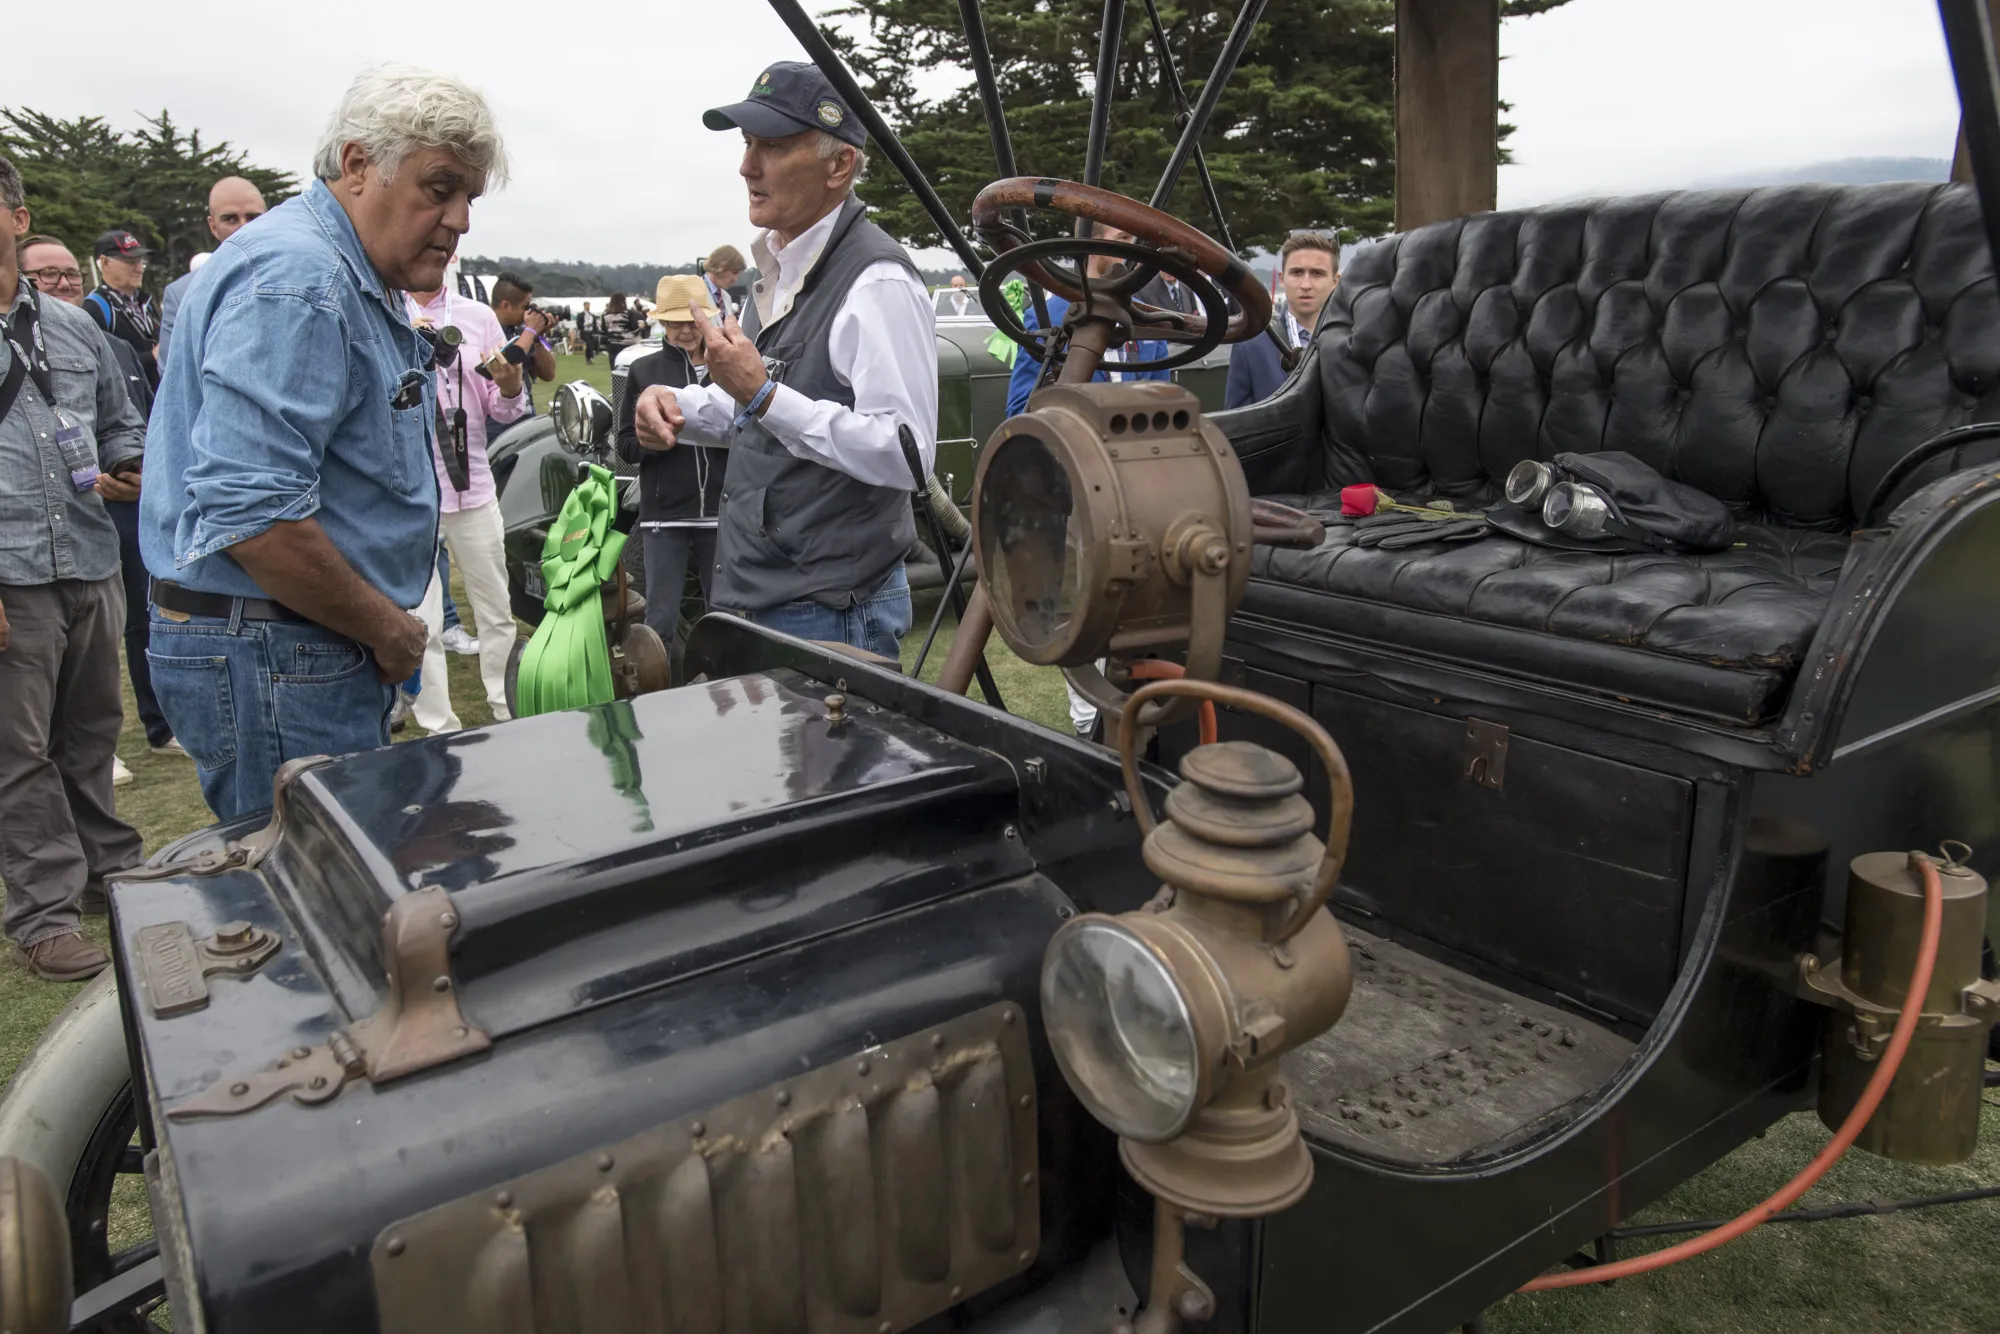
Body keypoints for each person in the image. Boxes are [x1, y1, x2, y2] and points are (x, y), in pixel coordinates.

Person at [140, 65, 508, 821]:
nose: (462, 218)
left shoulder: (334, 269)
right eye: (440, 188)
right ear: (357, 164)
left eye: (470, 196)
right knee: (319, 905)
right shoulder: (304, 282)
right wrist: (393, 631)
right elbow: (254, 515)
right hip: (276, 648)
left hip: (287, 640)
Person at [635, 61, 936, 660]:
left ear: (839, 164)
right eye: (748, 144)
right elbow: (746, 408)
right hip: (766, 590)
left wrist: (764, 395)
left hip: (831, 607)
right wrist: (676, 407)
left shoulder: (876, 279)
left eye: (771, 145)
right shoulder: (779, 272)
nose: (747, 165)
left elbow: (907, 454)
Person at [0, 157, 147, 981]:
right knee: (17, 753)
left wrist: (126, 461)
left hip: (90, 555)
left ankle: (108, 872)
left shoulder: (72, 327)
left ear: (19, 220)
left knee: (92, 732)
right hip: (9, 573)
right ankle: (44, 914)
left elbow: (117, 421)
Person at [18, 234, 186, 772]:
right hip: (25, 550)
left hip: (104, 524)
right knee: (31, 721)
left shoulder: (100, 340)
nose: (63, 283)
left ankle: (155, 726)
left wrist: (129, 463)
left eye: (69, 272)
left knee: (140, 621)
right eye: (47, 274)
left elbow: (123, 423)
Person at [406, 277, 529, 733]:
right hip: (412, 492)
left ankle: (503, 704)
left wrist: (513, 388)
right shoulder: (384, 312)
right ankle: (437, 725)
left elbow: (502, 408)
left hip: (472, 486)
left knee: (496, 607)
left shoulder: (477, 316)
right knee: (422, 621)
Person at [620, 274, 727, 673]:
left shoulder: (727, 365)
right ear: (661, 323)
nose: (685, 330)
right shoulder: (644, 370)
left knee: (724, 618)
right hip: (664, 515)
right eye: (675, 321)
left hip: (720, 513)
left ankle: (723, 699)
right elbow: (626, 445)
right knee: (659, 619)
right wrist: (657, 441)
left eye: (692, 320)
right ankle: (657, 706)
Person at [1004, 225, 1172, 418]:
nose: (1135, 247)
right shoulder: (1046, 317)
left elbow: (1165, 402)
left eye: (1135, 240)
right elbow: (1020, 412)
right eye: (1123, 238)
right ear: (1092, 243)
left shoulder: (1148, 316)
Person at [157, 177, 267, 369]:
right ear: (213, 226)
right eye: (230, 219)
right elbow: (174, 376)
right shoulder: (182, 295)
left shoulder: (302, 278)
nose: (244, 227)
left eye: (252, 217)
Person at [1225, 230, 1338, 409]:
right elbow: (1236, 427)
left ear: (1335, 281)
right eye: (1297, 272)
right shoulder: (1251, 348)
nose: (1306, 285)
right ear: (1282, 278)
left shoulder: (1353, 343)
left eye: (1317, 273)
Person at [84, 230, 160, 390]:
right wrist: (151, 357)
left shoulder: (145, 302)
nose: (140, 268)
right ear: (105, 263)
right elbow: (101, 365)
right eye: (131, 261)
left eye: (141, 261)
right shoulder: (95, 307)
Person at [486, 270, 556, 434]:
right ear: (505, 305)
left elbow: (549, 374)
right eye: (525, 306)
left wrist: (538, 338)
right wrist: (531, 330)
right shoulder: (485, 330)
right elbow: (510, 362)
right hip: (497, 424)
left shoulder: (522, 334)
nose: (529, 313)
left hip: (526, 418)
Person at [599, 290, 645, 364]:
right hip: (627, 345)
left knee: (614, 366)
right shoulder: (628, 313)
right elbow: (634, 331)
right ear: (623, 301)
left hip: (612, 344)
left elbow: (604, 329)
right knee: (626, 366)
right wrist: (641, 327)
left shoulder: (605, 314)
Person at [704, 245, 745, 316]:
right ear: (721, 266)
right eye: (734, 272)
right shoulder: (693, 292)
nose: (735, 279)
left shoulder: (726, 297)